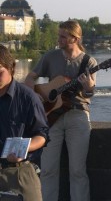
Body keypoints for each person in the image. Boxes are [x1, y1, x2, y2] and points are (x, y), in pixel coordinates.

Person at [24, 20, 97, 201]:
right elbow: (30, 77)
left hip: (78, 115)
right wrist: (37, 95)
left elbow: (89, 93)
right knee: (48, 169)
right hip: (50, 117)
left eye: (63, 36)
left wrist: (89, 87)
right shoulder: (50, 56)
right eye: (59, 35)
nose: (59, 39)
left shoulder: (89, 61)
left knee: (78, 171)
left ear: (75, 38)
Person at [0, 44, 49, 201]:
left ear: (11, 68)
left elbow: (42, 134)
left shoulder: (28, 97)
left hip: (20, 173)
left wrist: (25, 148)